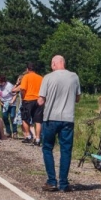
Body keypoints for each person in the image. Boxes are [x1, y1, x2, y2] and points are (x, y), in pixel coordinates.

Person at [38, 55, 81, 192]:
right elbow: (78, 98)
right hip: (68, 118)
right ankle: (63, 183)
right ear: (64, 63)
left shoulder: (48, 78)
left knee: (47, 148)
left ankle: (51, 181)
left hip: (51, 118)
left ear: (53, 64)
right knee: (66, 150)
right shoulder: (74, 77)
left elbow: (40, 100)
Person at [12, 62, 43, 145]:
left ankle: (28, 136)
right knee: (38, 120)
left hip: (28, 99)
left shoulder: (26, 77)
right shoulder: (40, 78)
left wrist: (22, 97)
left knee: (25, 118)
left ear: (27, 69)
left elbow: (23, 89)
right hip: (38, 100)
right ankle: (38, 139)